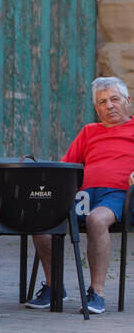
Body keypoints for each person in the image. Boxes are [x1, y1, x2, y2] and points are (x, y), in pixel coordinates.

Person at [27, 76, 134, 314]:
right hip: (83, 195)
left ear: (127, 100)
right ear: (96, 108)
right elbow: (66, 166)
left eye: (114, 99)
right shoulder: (89, 131)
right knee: (42, 222)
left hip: (119, 195)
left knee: (97, 220)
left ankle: (97, 293)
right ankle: (54, 287)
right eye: (102, 102)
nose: (109, 105)